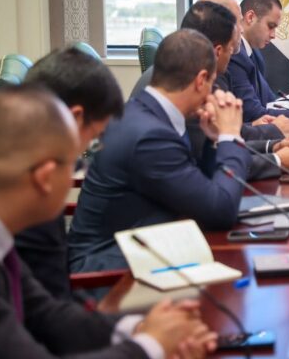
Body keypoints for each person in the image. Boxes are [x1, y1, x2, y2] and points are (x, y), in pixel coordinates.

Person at [0, 84, 216, 358]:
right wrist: (151, 346)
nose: (78, 174)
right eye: (75, 165)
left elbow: (47, 315)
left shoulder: (4, 243)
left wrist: (141, 328)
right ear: (45, 178)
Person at [68, 29, 253, 272]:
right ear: (201, 80)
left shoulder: (145, 112)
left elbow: (201, 186)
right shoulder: (151, 136)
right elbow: (221, 211)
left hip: (142, 244)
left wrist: (216, 139)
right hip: (107, 271)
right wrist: (231, 135)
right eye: (212, 83)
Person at [131, 0, 289, 175]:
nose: (241, 30)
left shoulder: (177, 78)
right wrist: (277, 160)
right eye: (236, 22)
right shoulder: (191, 92)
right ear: (217, 51)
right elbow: (214, 176)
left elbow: (214, 151)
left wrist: (272, 147)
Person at [14, 48, 123, 299]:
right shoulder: (33, 200)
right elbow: (46, 306)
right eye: (95, 138)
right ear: (75, 119)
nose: (86, 151)